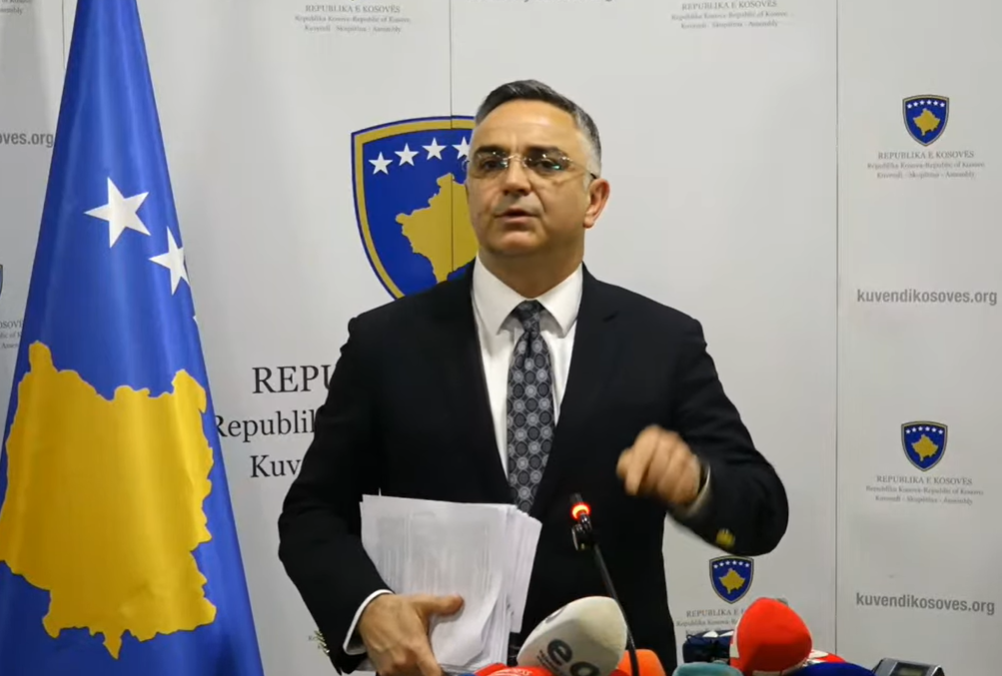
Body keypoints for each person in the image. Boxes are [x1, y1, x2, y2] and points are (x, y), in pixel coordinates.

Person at [278, 79, 789, 676]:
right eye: (490, 162)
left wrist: (697, 484)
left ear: (594, 199)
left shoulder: (662, 342)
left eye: (545, 163)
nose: (514, 180)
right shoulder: (384, 343)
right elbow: (312, 514)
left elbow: (760, 515)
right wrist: (369, 609)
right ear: (469, 190)